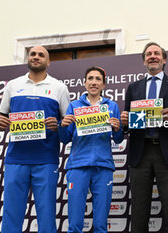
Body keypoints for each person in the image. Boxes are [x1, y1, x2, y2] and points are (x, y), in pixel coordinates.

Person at [0, 45, 70, 233]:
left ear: (48, 61)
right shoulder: (12, 85)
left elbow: (67, 124)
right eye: (33, 54)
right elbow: (1, 117)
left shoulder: (59, 88)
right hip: (16, 159)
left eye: (41, 55)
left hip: (46, 160)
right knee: (12, 213)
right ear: (28, 58)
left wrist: (58, 125)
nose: (36, 57)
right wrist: (0, 122)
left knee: (46, 215)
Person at [120, 42, 168, 233]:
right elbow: (128, 123)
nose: (153, 56)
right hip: (140, 153)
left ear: (164, 59)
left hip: (167, 151)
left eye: (156, 53)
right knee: (139, 211)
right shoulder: (134, 88)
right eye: (149, 54)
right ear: (144, 61)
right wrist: (125, 121)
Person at [58, 66, 123, 233]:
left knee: (101, 224)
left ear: (104, 85)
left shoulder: (112, 106)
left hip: (103, 166)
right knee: (75, 223)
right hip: (78, 166)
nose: (94, 82)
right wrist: (63, 126)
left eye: (98, 79)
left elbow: (118, 138)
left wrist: (118, 128)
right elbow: (65, 138)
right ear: (84, 83)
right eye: (90, 79)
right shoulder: (74, 106)